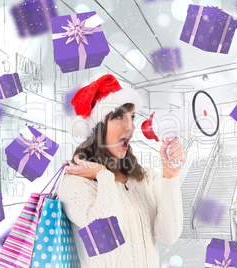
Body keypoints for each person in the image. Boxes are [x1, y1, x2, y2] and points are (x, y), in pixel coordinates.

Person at [58, 74, 185, 267]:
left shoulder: (145, 178)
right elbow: (108, 239)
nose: (131, 127)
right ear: (97, 127)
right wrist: (104, 176)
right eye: (119, 116)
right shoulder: (74, 182)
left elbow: (168, 235)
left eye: (132, 117)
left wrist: (170, 174)